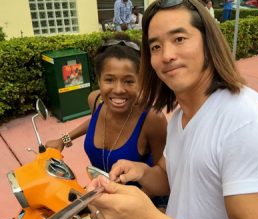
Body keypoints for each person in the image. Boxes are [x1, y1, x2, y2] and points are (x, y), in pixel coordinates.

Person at [87, 0, 258, 219]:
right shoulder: (181, 117)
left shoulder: (251, 126)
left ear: (209, 43)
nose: (166, 55)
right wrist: (141, 172)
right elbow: (169, 179)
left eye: (179, 39)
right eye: (156, 47)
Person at [45, 32, 168, 207]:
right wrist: (64, 139)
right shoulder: (96, 100)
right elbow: (95, 121)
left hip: (144, 206)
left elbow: (162, 177)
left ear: (141, 81)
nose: (118, 90)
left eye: (129, 81)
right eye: (109, 80)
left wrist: (130, 205)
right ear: (99, 80)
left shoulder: (152, 119)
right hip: (102, 198)